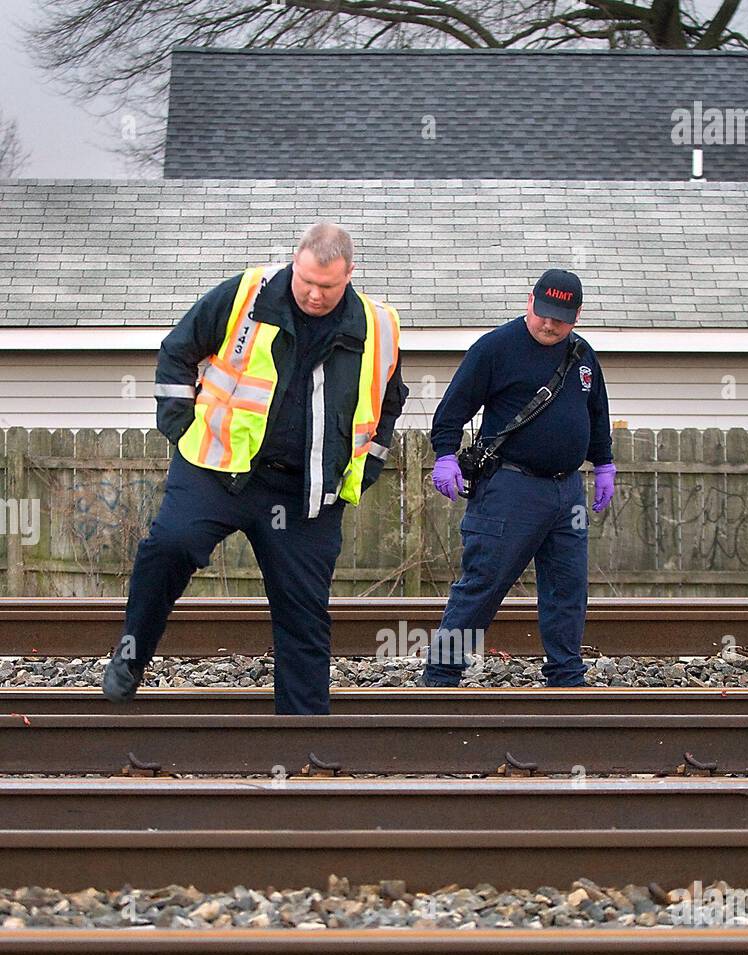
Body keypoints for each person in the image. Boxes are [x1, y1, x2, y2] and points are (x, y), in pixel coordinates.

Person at [103, 223, 407, 714]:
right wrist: (180, 428)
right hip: (217, 471)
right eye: (304, 279)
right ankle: (131, 656)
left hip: (304, 492)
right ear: (295, 261)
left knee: (304, 614)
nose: (312, 292)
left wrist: (367, 467)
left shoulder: (379, 326)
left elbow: (388, 403)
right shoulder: (246, 294)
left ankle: (303, 742)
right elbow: (177, 352)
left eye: (326, 286)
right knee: (168, 548)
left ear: (350, 274)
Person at [423, 269, 614, 689]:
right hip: (509, 488)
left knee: (568, 588)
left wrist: (604, 464)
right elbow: (452, 409)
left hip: (568, 491)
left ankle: (566, 675)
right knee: (483, 584)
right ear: (530, 302)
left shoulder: (583, 355)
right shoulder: (495, 348)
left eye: (560, 319)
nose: (549, 324)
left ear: (576, 317)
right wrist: (445, 456)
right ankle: (441, 675)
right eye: (543, 313)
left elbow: (596, 415)